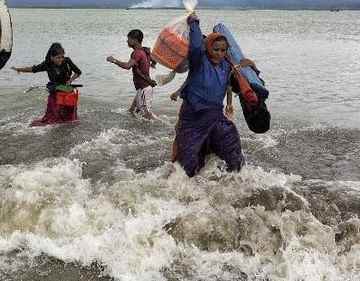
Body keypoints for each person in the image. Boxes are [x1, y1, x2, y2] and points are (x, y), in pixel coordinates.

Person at [171, 13, 256, 176]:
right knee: (187, 158)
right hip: (193, 116)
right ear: (208, 47)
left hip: (215, 116)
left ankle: (236, 177)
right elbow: (196, 47)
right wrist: (194, 23)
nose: (219, 53)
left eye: (223, 50)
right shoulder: (199, 62)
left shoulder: (227, 66)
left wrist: (251, 66)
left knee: (230, 140)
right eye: (215, 49)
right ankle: (182, 181)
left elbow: (240, 85)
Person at [11, 42, 81, 126]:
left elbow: (78, 72)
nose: (60, 60)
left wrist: (70, 80)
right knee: (52, 120)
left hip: (67, 91)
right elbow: (33, 69)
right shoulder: (47, 64)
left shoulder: (67, 61)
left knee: (69, 118)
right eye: (58, 58)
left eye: (62, 57)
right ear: (52, 57)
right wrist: (19, 69)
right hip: (54, 92)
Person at [106, 29, 157, 121]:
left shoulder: (137, 53)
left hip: (143, 89)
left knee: (148, 117)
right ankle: (132, 127)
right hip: (142, 88)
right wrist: (152, 63)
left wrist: (114, 60)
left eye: (129, 39)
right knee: (131, 111)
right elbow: (155, 60)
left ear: (135, 40)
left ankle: (159, 133)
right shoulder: (145, 51)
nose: (127, 41)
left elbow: (127, 66)